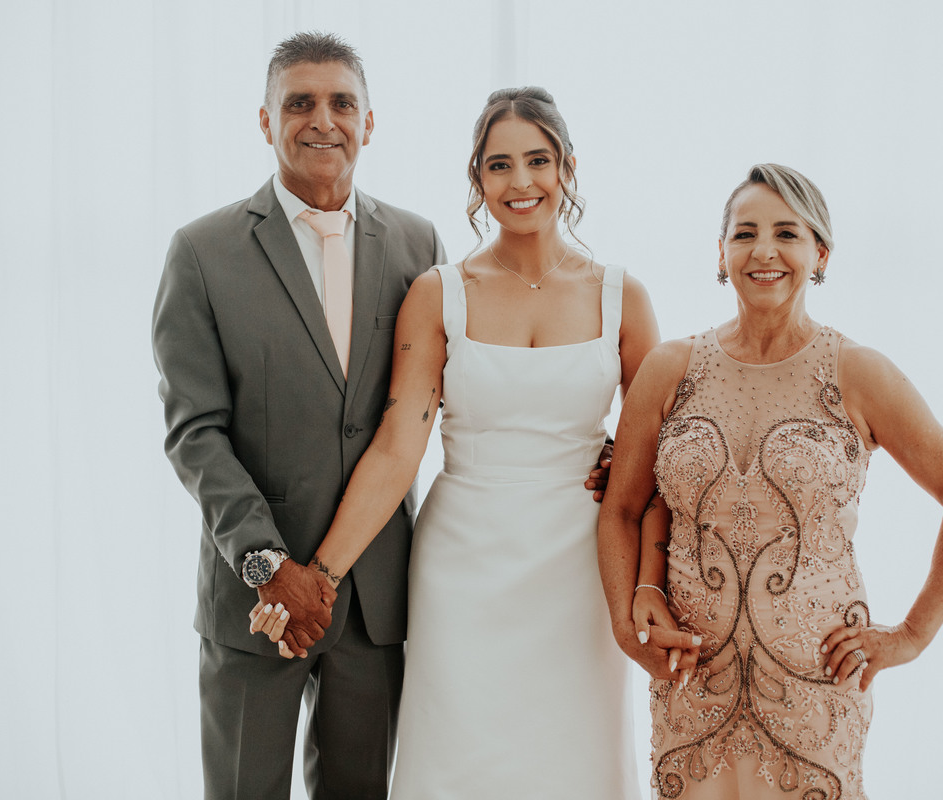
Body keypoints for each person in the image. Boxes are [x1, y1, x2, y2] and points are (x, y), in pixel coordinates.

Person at [252, 86, 693, 799]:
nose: (521, 182)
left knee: (572, 757)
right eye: (499, 165)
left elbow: (665, 460)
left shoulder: (622, 296)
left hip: (580, 566)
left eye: (538, 160)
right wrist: (321, 576)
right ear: (477, 178)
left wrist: (643, 561)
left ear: (567, 168)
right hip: (462, 567)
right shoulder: (439, 292)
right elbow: (397, 448)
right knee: (458, 758)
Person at [597, 164, 943, 799]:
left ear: (820, 255)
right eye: (745, 233)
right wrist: (628, 628)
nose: (764, 250)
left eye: (787, 233)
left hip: (814, 692)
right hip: (691, 687)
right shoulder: (669, 368)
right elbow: (624, 508)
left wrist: (911, 636)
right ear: (721, 253)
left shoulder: (859, 372)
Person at [152, 32, 448, 800]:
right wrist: (266, 564)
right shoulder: (202, 251)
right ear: (265, 120)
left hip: (375, 602)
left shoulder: (418, 243)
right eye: (299, 103)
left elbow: (444, 395)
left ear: (369, 122)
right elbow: (194, 433)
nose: (323, 120)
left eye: (342, 102)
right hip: (255, 602)